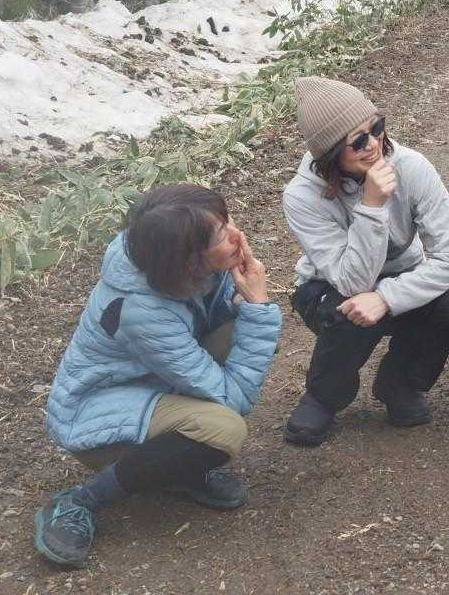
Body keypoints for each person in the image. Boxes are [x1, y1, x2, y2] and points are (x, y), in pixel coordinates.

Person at [36, 185, 282, 568]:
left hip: (151, 383)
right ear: (189, 261)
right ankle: (82, 500)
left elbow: (216, 327)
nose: (238, 234)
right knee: (224, 429)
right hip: (97, 418)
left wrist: (245, 307)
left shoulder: (170, 262)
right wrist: (259, 306)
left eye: (227, 219)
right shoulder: (142, 310)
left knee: (244, 328)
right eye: (222, 234)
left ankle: (177, 470)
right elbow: (235, 397)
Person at [281, 76, 449, 445]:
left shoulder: (412, 167)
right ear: (330, 154)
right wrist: (372, 206)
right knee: (349, 309)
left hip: (400, 278)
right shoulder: (301, 196)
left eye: (376, 127)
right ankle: (324, 397)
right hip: (329, 286)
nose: (374, 144)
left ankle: (400, 383)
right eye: (358, 141)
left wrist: (387, 297)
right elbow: (352, 282)